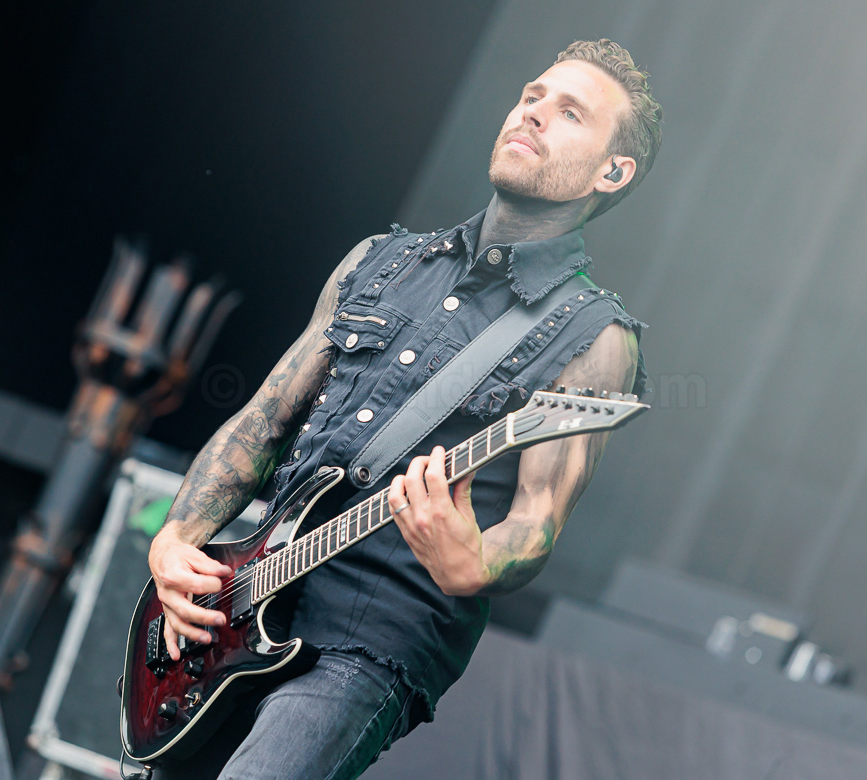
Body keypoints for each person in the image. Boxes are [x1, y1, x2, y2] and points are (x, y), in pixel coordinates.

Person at [146, 37, 662, 780]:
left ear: (612, 171)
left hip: (371, 642)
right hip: (243, 605)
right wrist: (177, 539)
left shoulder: (595, 336)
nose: (533, 113)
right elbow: (263, 420)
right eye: (532, 95)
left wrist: (476, 561)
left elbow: (536, 520)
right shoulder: (378, 261)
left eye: (571, 112)